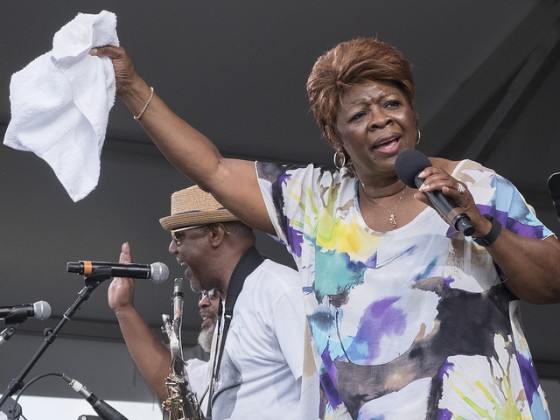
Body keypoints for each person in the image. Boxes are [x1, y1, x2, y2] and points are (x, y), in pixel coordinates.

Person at [93, 37, 560, 419]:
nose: (381, 119)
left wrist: (483, 228)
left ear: (413, 113)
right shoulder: (314, 204)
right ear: (337, 139)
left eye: (392, 103)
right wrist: (131, 86)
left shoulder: (475, 185)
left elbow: (552, 282)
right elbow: (212, 169)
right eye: (359, 115)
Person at [108, 241, 220, 411]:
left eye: (213, 294)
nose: (202, 302)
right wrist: (124, 308)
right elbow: (173, 387)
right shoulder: (213, 374)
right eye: (203, 295)